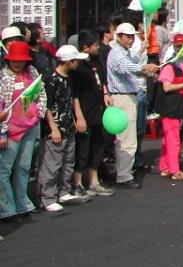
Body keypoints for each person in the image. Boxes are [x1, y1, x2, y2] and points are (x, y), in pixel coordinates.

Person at [37, 46, 92, 211]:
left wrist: (77, 118)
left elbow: (73, 98)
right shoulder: (51, 79)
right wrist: (53, 127)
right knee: (51, 163)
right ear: (68, 61)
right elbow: (46, 105)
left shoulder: (69, 78)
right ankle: (47, 198)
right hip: (55, 128)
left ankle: (64, 191)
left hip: (68, 126)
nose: (78, 64)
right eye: (76, 60)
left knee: (68, 160)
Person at [105, 22, 160, 188]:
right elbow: (126, 67)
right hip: (122, 97)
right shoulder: (116, 53)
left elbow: (134, 64)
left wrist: (146, 69)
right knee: (126, 138)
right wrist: (145, 66)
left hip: (129, 96)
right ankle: (124, 176)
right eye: (127, 36)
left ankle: (126, 170)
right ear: (119, 36)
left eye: (132, 36)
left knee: (130, 137)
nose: (130, 39)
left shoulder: (125, 52)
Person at [0, 41, 46, 220]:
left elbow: (41, 93)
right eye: (14, 60)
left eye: (21, 60)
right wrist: (2, 133)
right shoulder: (3, 77)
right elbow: (1, 106)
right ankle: (6, 208)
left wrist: (39, 112)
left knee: (24, 168)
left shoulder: (32, 72)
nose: (17, 64)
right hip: (10, 130)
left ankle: (23, 204)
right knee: (4, 170)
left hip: (30, 126)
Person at [71, 28, 113, 197]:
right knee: (82, 148)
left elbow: (102, 80)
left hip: (98, 110)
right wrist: (79, 116)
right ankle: (78, 183)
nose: (98, 47)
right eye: (95, 45)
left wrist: (105, 93)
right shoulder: (78, 65)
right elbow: (74, 94)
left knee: (97, 146)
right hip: (85, 112)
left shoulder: (96, 61)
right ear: (85, 47)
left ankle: (94, 181)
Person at [156, 49, 183, 181]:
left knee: (169, 138)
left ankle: (165, 166)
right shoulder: (170, 65)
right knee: (174, 139)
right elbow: (166, 87)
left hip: (179, 104)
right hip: (170, 106)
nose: (181, 50)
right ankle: (175, 170)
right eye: (178, 46)